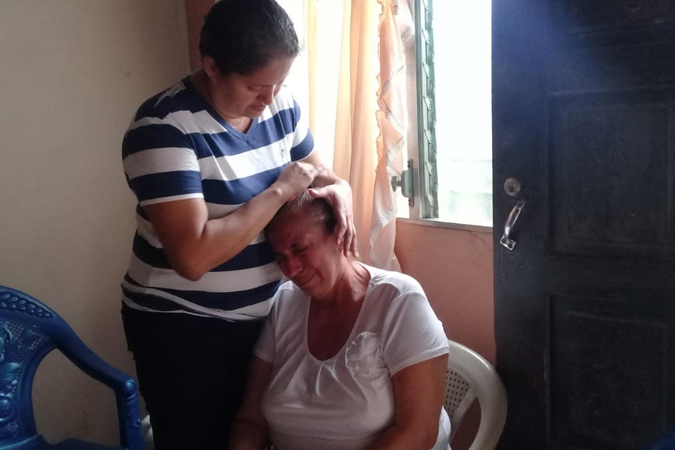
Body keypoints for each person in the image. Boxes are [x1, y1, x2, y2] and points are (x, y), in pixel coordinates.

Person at [119, 0, 356, 448]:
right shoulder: (163, 128)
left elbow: (317, 172)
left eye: (279, 83)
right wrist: (278, 192)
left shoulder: (279, 104)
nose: (268, 100)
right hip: (185, 329)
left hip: (268, 318)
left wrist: (341, 188)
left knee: (263, 435)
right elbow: (194, 256)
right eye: (255, 86)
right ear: (211, 66)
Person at [229, 192, 452, 450]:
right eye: (280, 258)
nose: (290, 270)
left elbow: (418, 432)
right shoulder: (283, 304)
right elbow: (250, 420)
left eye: (300, 249)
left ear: (340, 234)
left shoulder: (399, 301)